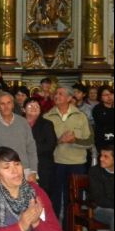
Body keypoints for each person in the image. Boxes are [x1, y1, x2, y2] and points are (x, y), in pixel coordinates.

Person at [43, 86, 92, 222]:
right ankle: (53, 228)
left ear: (70, 98)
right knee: (54, 197)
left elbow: (89, 142)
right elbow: (42, 144)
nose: (56, 96)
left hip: (77, 164)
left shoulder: (81, 116)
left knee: (74, 199)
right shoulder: (47, 116)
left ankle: (70, 230)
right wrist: (59, 141)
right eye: (56, 94)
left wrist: (74, 140)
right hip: (56, 162)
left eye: (61, 94)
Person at [0, 92, 39, 181]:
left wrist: (34, 171)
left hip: (24, 171)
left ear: (13, 104)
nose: (6, 106)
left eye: (9, 103)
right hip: (1, 172)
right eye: (2, 104)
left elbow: (31, 148)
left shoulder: (23, 122)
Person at [24, 98, 57, 196]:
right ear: (23, 109)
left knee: (42, 195)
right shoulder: (18, 123)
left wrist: (29, 149)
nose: (34, 108)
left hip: (42, 165)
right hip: (22, 164)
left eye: (37, 106)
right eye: (30, 106)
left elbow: (50, 145)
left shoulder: (47, 124)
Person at [88, 143, 114, 231]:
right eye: (101, 155)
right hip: (100, 209)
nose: (101, 159)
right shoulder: (95, 172)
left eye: (106, 156)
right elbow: (99, 199)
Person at [91, 85, 114, 150]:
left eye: (111, 94)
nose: (109, 97)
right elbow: (105, 125)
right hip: (103, 142)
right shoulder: (97, 109)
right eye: (106, 95)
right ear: (100, 97)